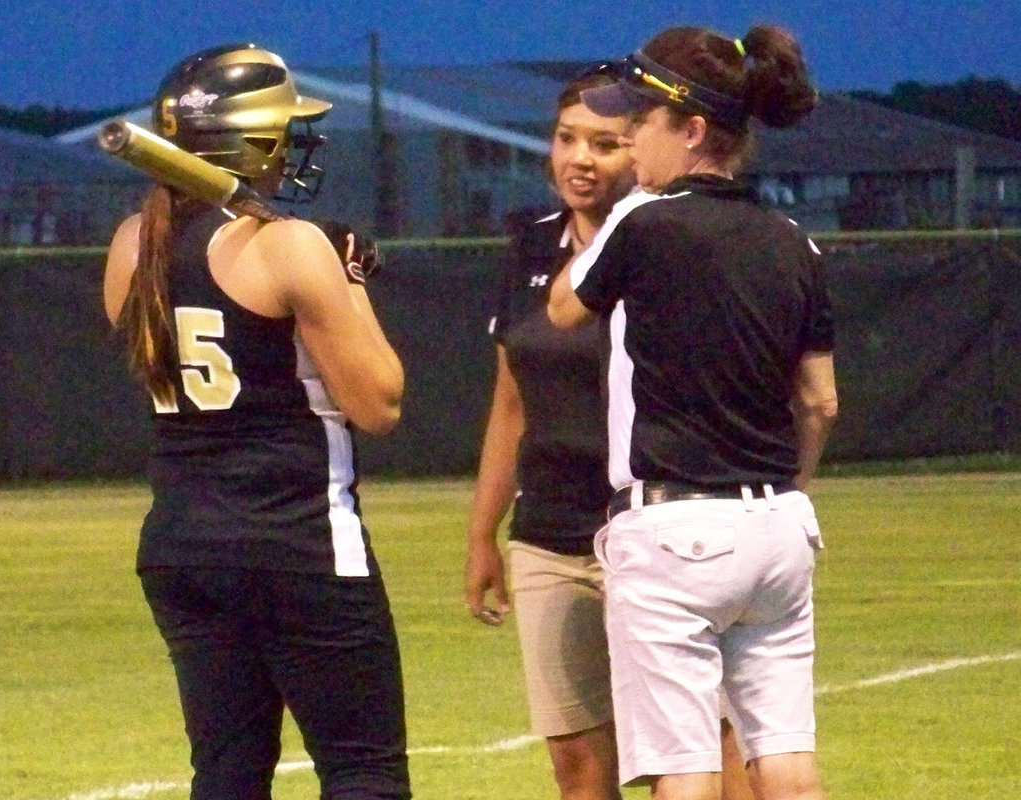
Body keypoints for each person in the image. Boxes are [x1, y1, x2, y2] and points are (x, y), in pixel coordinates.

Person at [103, 43, 410, 800]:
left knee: (229, 773)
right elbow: (380, 404)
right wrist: (348, 279)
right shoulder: (291, 245)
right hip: (299, 542)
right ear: (252, 142)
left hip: (182, 546)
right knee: (363, 772)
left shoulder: (132, 244)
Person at [546, 24, 838, 800]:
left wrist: (630, 205)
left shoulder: (643, 222)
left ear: (694, 130)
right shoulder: (792, 239)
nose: (630, 138)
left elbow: (564, 308)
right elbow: (820, 401)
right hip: (777, 526)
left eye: (642, 122)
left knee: (685, 765)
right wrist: (789, 490)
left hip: (675, 529)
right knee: (784, 755)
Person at [464, 70, 754, 800]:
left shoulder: (676, 239)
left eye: (605, 143)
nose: (579, 159)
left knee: (705, 756)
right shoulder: (530, 248)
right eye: (566, 139)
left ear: (646, 149)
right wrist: (482, 535)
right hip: (551, 533)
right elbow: (510, 403)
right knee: (577, 765)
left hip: (665, 531)